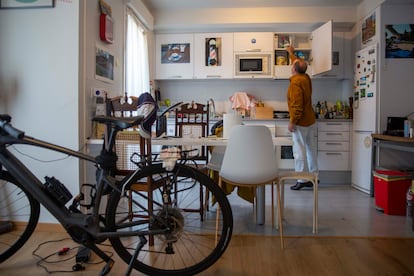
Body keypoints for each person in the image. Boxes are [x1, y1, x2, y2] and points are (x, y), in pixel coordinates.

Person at [286, 45, 318, 190]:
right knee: (311, 149)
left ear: (294, 69)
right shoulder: (305, 77)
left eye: (292, 64)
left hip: (301, 122)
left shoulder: (296, 83)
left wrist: (293, 122)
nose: (292, 64)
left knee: (299, 151)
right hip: (310, 120)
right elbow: (298, 62)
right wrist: (291, 53)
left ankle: (301, 179)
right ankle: (314, 177)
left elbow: (297, 106)